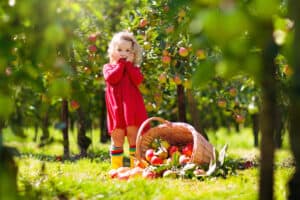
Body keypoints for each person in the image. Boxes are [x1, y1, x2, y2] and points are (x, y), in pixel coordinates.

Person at [103, 31, 148, 169]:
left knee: (133, 137)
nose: (123, 53)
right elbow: (113, 78)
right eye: (120, 50)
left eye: (127, 50)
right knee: (117, 137)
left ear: (133, 53)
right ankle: (117, 169)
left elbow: (138, 80)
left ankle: (137, 168)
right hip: (116, 109)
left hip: (131, 108)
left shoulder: (133, 69)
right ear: (112, 51)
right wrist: (122, 65)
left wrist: (128, 65)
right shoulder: (108, 68)